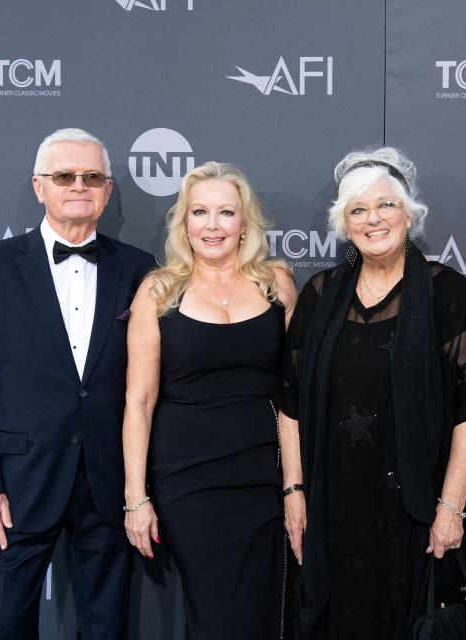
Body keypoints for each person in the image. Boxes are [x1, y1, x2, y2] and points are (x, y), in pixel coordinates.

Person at [277, 147, 466, 639]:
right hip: (332, 510)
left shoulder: (446, 293)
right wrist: (294, 492)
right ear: (344, 223)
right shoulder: (319, 293)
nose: (373, 219)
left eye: (386, 205)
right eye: (358, 210)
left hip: (416, 515)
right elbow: (290, 402)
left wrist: (449, 507)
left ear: (408, 213)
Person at [0, 128, 155, 638]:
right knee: (5, 626)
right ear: (39, 187)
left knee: (106, 627)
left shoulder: (139, 269)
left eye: (92, 177)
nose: (78, 185)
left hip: (107, 484)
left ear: (107, 191)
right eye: (64, 176)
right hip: (16, 487)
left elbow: (148, 384)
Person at [122, 161, 296, 638]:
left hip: (262, 473)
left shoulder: (275, 284)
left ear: (245, 223)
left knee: (264, 610)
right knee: (214, 613)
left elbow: (293, 395)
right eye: (200, 212)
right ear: (184, 223)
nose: (213, 225)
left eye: (226, 212)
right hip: (187, 479)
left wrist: (294, 485)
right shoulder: (159, 292)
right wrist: (136, 497)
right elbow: (138, 401)